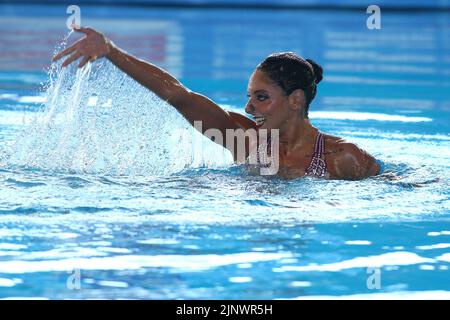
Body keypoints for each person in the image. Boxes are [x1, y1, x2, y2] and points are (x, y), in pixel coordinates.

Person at [53, 26, 383, 180]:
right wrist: (111, 51)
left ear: (296, 100)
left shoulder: (343, 158)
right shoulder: (245, 140)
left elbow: (397, 187)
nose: (249, 108)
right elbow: (178, 95)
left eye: (261, 97)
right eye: (249, 96)